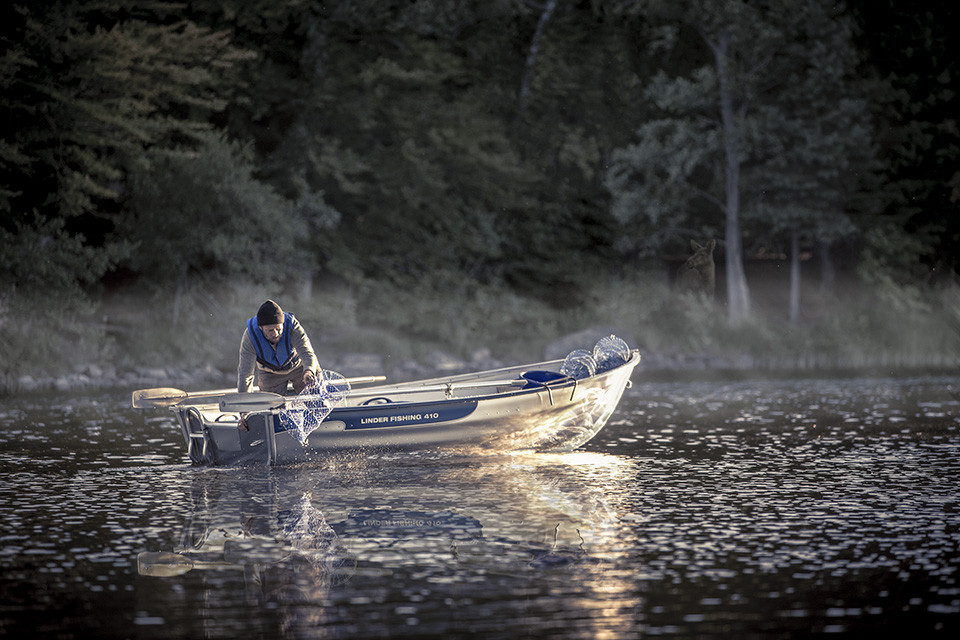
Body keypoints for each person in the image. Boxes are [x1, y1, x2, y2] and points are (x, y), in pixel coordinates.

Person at [237, 300, 319, 430]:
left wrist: (309, 371)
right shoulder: (249, 338)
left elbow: (308, 354)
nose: (275, 334)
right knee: (273, 415)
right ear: (260, 328)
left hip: (299, 368)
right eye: (270, 330)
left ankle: (321, 427)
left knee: (316, 400)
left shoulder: (293, 327)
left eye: (278, 329)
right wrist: (244, 413)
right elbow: (245, 376)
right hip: (270, 373)